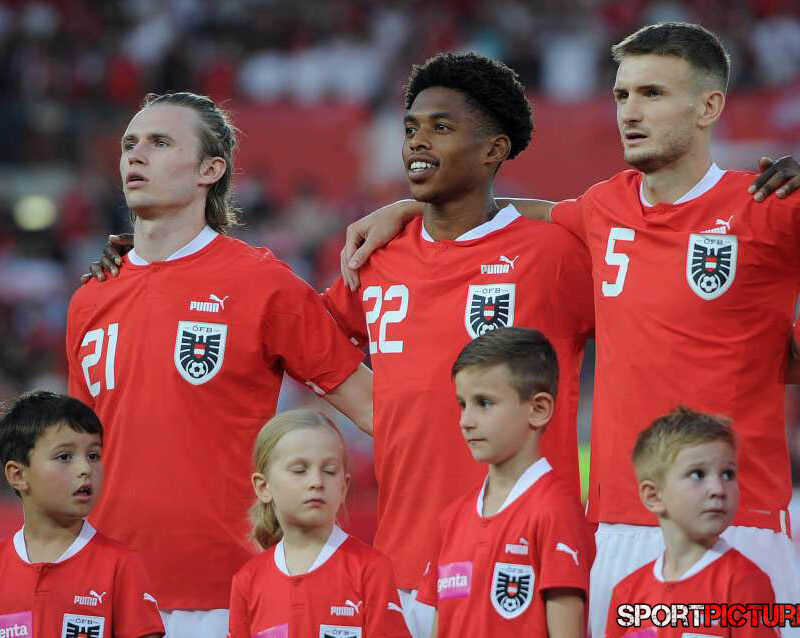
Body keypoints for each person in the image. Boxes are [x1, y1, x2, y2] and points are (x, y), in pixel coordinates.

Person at [84, 56, 594, 638]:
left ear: (494, 149)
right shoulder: (375, 260)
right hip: (402, 567)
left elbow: (639, 299)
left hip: (519, 552)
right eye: (411, 127)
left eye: (441, 127)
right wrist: (146, 270)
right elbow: (297, 332)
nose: (418, 140)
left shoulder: (554, 256)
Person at [338, 24, 800, 636]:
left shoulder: (769, 206)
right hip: (616, 532)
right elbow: (519, 211)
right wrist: (409, 208)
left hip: (738, 522)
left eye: (653, 94)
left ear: (709, 106)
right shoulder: (605, 206)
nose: (630, 112)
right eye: (622, 95)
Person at [66, 92, 373, 638]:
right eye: (130, 143)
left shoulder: (262, 283)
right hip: (106, 595)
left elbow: (376, 409)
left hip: (225, 598)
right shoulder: (90, 297)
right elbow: (76, 455)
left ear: (211, 169)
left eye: (160, 142)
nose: (136, 154)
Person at [417, 328, 594, 637]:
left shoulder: (555, 512)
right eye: (462, 404)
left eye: (484, 403)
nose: (466, 421)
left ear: (538, 409)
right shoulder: (452, 519)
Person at [227, 409, 409, 638]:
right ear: (263, 487)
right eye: (299, 470)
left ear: (344, 487)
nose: (316, 482)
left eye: (329, 471)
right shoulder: (247, 581)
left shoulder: (370, 569)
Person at [0, 391, 164, 638]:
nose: (85, 468)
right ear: (18, 475)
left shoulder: (120, 565)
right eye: (65, 457)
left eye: (93, 455)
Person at [606, 407, 777, 637]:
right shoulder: (627, 593)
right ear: (653, 496)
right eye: (698, 474)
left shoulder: (745, 583)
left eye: (728, 474)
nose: (718, 489)